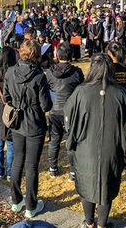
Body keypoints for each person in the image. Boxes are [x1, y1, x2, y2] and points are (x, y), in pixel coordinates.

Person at [66, 54, 126, 228]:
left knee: (87, 184)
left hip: (85, 148)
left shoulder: (81, 91)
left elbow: (68, 118)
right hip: (111, 148)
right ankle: (100, 224)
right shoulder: (120, 92)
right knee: (106, 185)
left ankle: (90, 223)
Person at [2, 40, 53, 219]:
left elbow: (6, 96)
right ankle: (30, 205)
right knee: (30, 166)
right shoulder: (39, 76)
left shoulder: (10, 72)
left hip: (18, 123)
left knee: (18, 161)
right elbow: (46, 105)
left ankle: (17, 201)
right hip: (33, 123)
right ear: (36, 55)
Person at [45, 46, 83, 180]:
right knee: (71, 141)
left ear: (57, 54)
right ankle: (72, 171)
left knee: (55, 140)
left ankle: (53, 168)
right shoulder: (76, 73)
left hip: (55, 110)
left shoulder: (49, 73)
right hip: (69, 111)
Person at [0, 40, 18, 180]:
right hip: (10, 107)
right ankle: (9, 173)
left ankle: (0, 172)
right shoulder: (14, 74)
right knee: (11, 144)